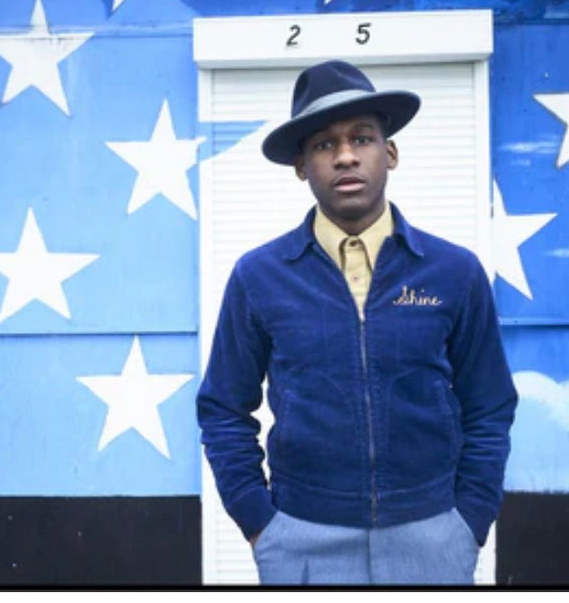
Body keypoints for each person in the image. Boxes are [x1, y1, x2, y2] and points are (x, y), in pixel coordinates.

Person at [196, 59, 518, 586]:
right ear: (301, 165)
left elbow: (490, 405)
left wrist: (469, 521)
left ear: (389, 153)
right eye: (323, 144)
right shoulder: (259, 277)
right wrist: (261, 524)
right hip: (302, 539)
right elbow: (222, 408)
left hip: (431, 539)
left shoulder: (453, 272)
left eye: (362, 138)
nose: (345, 155)